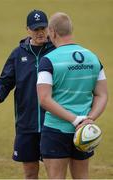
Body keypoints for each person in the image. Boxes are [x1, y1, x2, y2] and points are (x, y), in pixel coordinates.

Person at [37, 12, 108, 179]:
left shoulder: (48, 60)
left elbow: (44, 99)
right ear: (71, 30)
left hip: (56, 130)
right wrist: (89, 119)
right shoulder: (93, 58)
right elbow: (102, 95)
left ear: (52, 32)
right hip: (84, 131)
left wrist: (74, 120)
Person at [0, 10, 54, 179]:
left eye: (43, 28)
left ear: (48, 28)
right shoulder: (18, 54)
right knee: (30, 174)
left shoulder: (56, 52)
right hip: (26, 123)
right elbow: (6, 80)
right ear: (27, 30)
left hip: (54, 123)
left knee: (55, 174)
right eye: (35, 29)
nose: (40, 32)